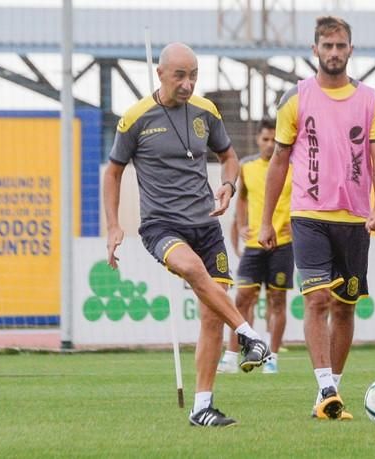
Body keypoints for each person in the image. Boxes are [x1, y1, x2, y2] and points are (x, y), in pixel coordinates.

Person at [103, 42, 271, 427]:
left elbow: (228, 156)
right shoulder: (135, 118)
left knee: (212, 315)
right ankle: (247, 334)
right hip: (162, 226)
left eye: (193, 74)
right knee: (193, 269)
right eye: (180, 75)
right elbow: (113, 171)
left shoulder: (206, 112)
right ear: (160, 74)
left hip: (207, 225)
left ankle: (202, 407)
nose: (188, 83)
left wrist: (228, 184)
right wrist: (114, 224)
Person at [258, 16, 375, 420]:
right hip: (309, 215)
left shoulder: (370, 99)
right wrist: (265, 221)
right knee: (316, 300)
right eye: (327, 46)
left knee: (345, 307)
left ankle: (332, 389)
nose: (334, 52)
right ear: (314, 50)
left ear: (351, 49)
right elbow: (278, 162)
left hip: (355, 218)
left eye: (341, 46)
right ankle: (326, 388)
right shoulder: (295, 99)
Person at [217, 118, 294, 374]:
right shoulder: (247, 167)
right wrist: (240, 226)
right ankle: (231, 354)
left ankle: (271, 356)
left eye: (274, 139)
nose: (270, 144)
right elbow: (242, 199)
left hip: (283, 244)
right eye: (265, 139)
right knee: (242, 298)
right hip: (254, 243)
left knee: (277, 301)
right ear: (258, 140)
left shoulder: (291, 167)